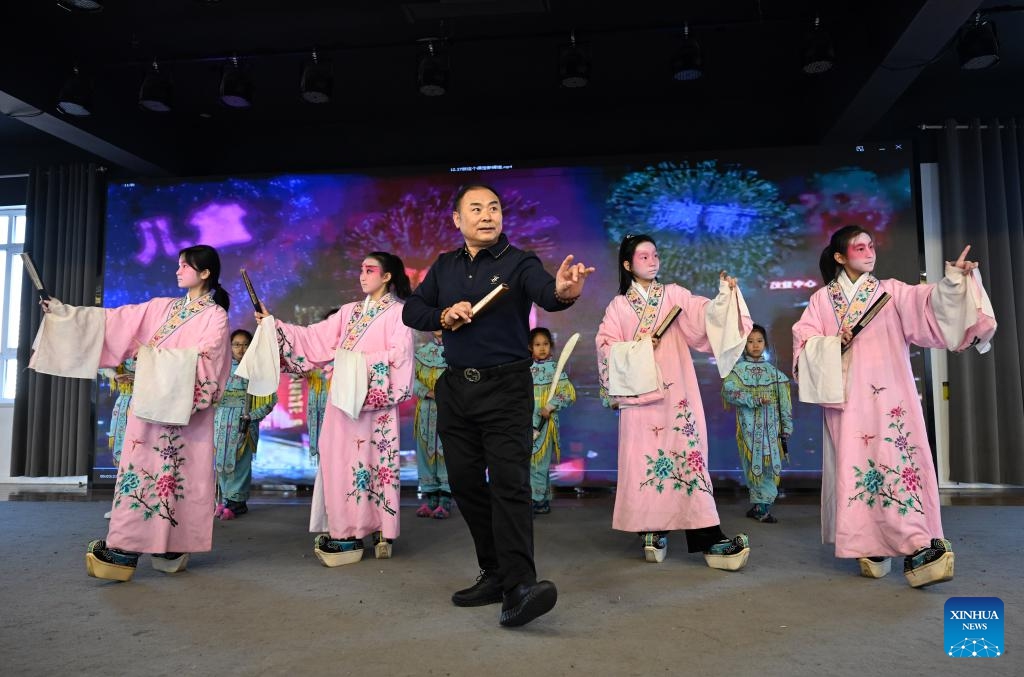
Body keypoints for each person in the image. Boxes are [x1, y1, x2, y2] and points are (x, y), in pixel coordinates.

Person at [403, 184, 593, 627]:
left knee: (510, 485)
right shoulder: (445, 266)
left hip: (506, 390)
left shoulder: (519, 262)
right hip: (456, 389)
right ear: (458, 219)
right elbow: (413, 309)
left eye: (493, 208)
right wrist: (442, 315)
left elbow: (549, 293)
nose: (487, 215)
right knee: (465, 484)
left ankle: (521, 586)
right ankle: (494, 572)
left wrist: (565, 291)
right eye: (476, 209)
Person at [793, 225, 996, 587]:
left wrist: (952, 282)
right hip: (848, 401)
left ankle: (917, 543)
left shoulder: (892, 292)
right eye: (859, 248)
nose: (869, 252)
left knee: (897, 462)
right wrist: (831, 344)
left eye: (871, 246)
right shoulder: (822, 301)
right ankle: (871, 545)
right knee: (858, 468)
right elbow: (803, 343)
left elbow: (929, 304)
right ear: (840, 257)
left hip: (891, 397)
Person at [32, 244, 231, 581]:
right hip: (150, 406)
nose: (178, 270)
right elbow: (115, 321)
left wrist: (151, 357)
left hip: (185, 413)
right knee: (140, 474)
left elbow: (209, 360)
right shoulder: (161, 308)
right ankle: (143, 546)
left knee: (178, 478)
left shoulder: (215, 316)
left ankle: (154, 547)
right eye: (179, 264)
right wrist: (63, 314)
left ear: (205, 273)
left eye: (185, 265)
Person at [596, 234, 752, 569]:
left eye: (655, 255)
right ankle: (652, 529)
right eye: (644, 256)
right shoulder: (618, 307)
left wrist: (725, 298)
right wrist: (639, 348)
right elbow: (605, 347)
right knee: (646, 463)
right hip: (641, 403)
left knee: (687, 459)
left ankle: (703, 536)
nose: (653, 261)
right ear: (627, 264)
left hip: (676, 396)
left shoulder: (675, 295)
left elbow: (705, 315)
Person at [255, 252, 414, 566]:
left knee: (374, 464)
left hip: (375, 409)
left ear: (387, 277)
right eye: (361, 269)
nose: (362, 275)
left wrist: (352, 364)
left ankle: (373, 528)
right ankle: (348, 528)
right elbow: (314, 338)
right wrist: (275, 326)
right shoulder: (348, 312)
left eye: (370, 270)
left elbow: (400, 357)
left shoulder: (399, 314)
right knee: (339, 462)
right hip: (342, 403)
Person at [722, 324, 792, 523]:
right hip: (749, 428)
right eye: (750, 341)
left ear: (765, 344)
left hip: (772, 430)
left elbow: (784, 403)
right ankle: (759, 505)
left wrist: (787, 426)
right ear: (744, 345)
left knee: (771, 464)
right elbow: (729, 391)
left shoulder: (774, 373)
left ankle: (762, 506)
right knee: (753, 464)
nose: (755, 345)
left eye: (759, 341)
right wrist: (752, 399)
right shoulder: (738, 371)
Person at [213, 329, 278, 520]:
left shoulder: (257, 369)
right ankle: (225, 500)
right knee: (222, 461)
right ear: (229, 346)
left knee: (240, 462)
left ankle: (237, 503)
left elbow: (271, 399)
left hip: (244, 422)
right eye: (236, 344)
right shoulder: (220, 368)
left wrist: (252, 416)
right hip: (221, 422)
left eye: (245, 344)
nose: (241, 349)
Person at [527, 327, 576, 515]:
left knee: (539, 462)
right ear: (530, 347)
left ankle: (537, 500)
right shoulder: (525, 369)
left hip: (546, 425)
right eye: (537, 345)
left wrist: (551, 405)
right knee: (531, 462)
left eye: (545, 344)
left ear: (551, 345)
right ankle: (543, 499)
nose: (542, 348)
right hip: (528, 423)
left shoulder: (555, 369)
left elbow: (568, 393)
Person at [413, 330, 453, 519]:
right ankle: (431, 498)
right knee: (425, 451)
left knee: (447, 450)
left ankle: (446, 498)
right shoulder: (421, 353)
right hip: (425, 412)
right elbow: (409, 379)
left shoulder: (458, 351)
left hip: (450, 409)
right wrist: (426, 391)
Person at [101, 358, 135, 520]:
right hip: (125, 402)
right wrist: (115, 376)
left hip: (150, 403)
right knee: (122, 456)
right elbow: (103, 363)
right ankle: (122, 505)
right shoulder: (122, 346)